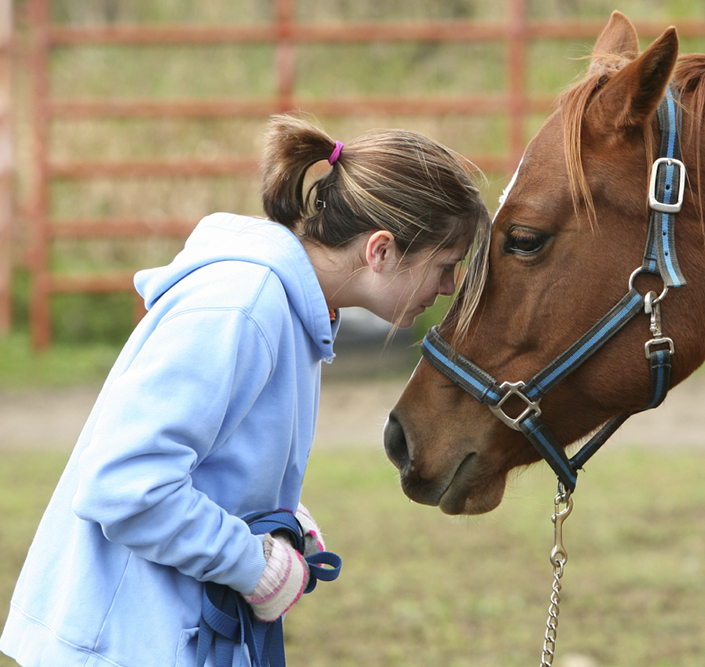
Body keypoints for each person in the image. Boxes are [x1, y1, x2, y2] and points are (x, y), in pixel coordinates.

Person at [0, 114, 490, 667]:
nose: (449, 288)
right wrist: (252, 564)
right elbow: (125, 481)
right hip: (123, 647)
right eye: (446, 266)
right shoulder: (242, 307)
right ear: (379, 251)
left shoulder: (293, 311)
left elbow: (207, 453)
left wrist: (278, 515)